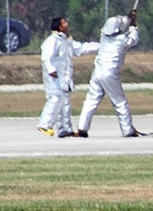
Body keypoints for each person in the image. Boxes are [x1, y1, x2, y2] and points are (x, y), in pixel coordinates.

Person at [75, 9, 145, 138]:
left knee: (91, 100)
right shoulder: (121, 40)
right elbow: (133, 39)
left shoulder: (105, 37)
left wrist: (129, 18)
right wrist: (134, 26)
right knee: (120, 102)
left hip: (98, 72)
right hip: (110, 74)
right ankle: (127, 130)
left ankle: (82, 128)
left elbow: (120, 25)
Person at [37, 17, 98, 138]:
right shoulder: (52, 40)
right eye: (64, 23)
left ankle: (65, 129)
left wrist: (102, 46)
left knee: (65, 104)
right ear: (59, 27)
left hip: (64, 78)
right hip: (53, 77)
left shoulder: (67, 41)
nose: (67, 24)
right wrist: (51, 70)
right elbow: (46, 57)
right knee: (55, 99)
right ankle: (44, 124)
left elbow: (82, 48)